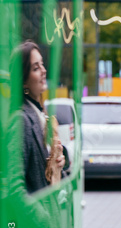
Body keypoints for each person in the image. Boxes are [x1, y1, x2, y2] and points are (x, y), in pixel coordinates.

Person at [17, 40, 65, 194]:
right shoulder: (22, 120)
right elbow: (16, 188)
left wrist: (62, 160)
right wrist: (40, 216)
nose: (43, 71)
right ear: (24, 81)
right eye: (36, 68)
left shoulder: (40, 114)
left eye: (42, 64)